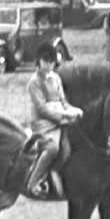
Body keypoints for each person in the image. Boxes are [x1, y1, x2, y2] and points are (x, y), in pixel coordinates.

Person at [27, 43, 83, 196]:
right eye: (46, 61)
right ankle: (34, 182)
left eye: (51, 62)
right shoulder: (34, 82)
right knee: (53, 148)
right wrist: (62, 118)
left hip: (60, 120)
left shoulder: (56, 78)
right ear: (39, 61)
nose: (49, 65)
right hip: (43, 124)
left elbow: (63, 101)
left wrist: (74, 111)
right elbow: (41, 109)